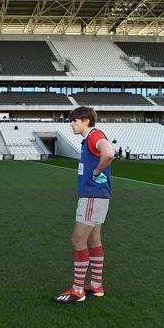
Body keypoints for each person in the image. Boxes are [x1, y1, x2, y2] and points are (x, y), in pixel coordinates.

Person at [52, 106, 114, 304]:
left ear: (86, 120)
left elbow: (109, 153)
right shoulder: (89, 139)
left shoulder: (95, 135)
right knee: (94, 240)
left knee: (78, 240)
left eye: (74, 120)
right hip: (98, 196)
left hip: (92, 196)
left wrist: (96, 172)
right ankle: (96, 285)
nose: (71, 124)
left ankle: (77, 290)